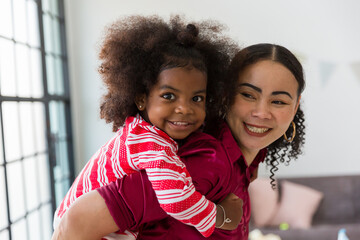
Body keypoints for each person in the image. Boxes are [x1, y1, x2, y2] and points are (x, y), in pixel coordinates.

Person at [52, 43, 306, 240]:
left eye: (279, 101)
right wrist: (221, 216)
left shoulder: (245, 160)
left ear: (296, 106)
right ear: (225, 95)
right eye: (248, 95)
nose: (261, 112)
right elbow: (73, 223)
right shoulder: (208, 161)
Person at [52, 15, 243, 239]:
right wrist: (222, 216)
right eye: (169, 96)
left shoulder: (138, 131)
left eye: (197, 99)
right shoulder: (151, 143)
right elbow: (176, 200)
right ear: (141, 99)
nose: (184, 108)